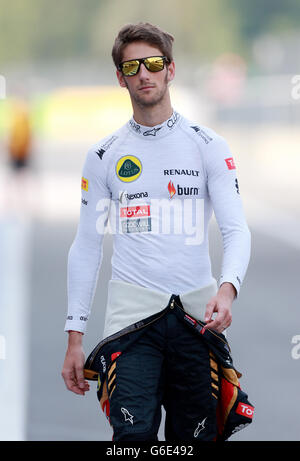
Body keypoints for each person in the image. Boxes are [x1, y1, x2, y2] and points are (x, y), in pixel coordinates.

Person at [62, 22, 252, 442]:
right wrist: (75, 336)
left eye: (153, 63)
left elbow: (236, 229)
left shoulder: (209, 146)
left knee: (195, 440)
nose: (143, 74)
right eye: (132, 67)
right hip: (131, 325)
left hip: (196, 321)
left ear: (170, 69)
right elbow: (87, 245)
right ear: (120, 77)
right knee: (132, 443)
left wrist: (227, 290)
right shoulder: (103, 156)